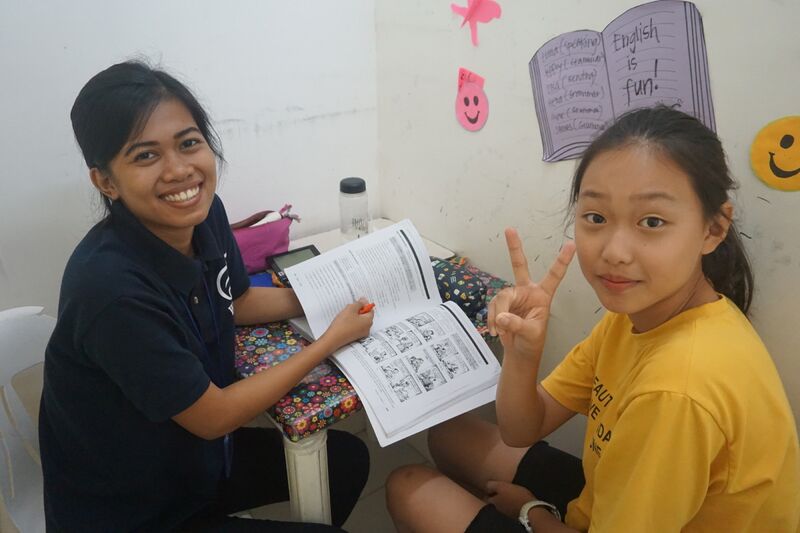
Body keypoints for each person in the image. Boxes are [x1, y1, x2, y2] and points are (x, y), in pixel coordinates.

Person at [385, 106, 800, 532]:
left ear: (713, 229)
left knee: (408, 487)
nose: (614, 252)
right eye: (596, 217)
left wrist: (532, 512)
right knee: (447, 435)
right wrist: (523, 353)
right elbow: (521, 429)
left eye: (652, 221)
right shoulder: (640, 314)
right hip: (613, 498)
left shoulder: (676, 392)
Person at [39, 60, 373, 532]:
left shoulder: (204, 215)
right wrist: (329, 340)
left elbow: (237, 301)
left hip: (192, 461)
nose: (180, 171)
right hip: (133, 509)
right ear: (106, 182)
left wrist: (321, 299)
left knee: (346, 461)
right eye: (146, 156)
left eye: (188, 143)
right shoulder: (110, 291)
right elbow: (214, 416)